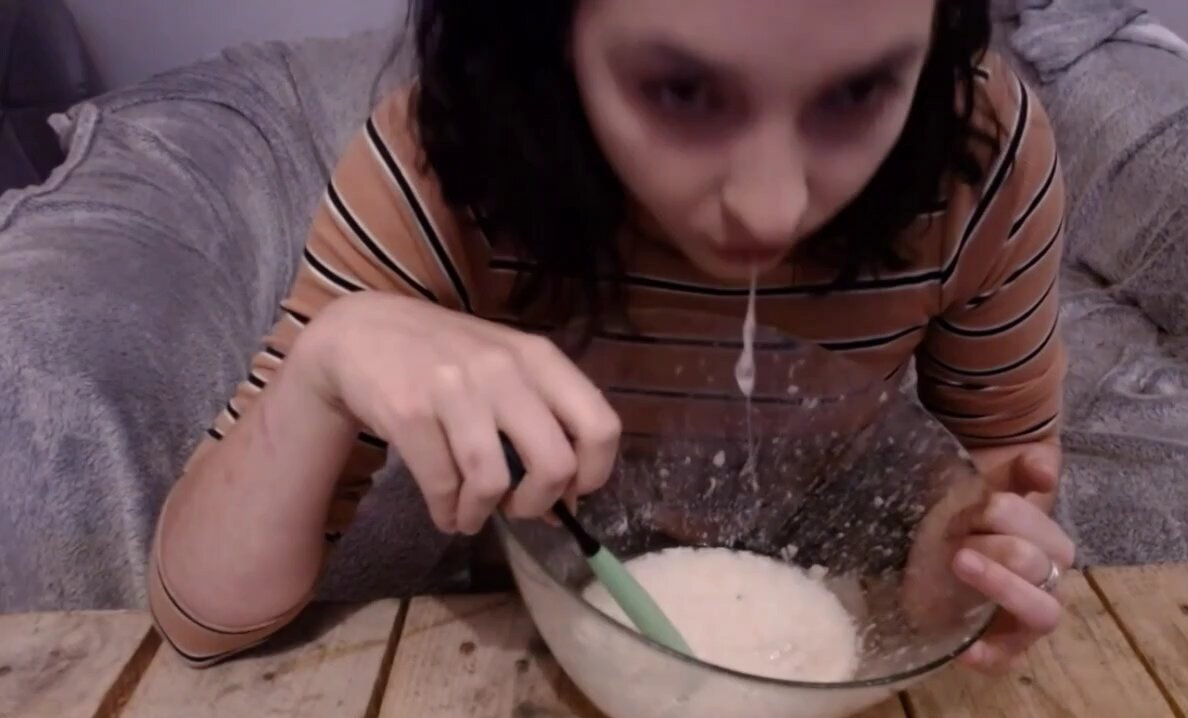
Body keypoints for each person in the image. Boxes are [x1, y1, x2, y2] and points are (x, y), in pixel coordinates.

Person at [148, 0, 1075, 675]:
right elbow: (199, 618)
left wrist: (962, 572)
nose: (771, 204)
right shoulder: (446, 166)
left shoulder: (975, 155)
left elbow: (998, 460)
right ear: (551, 39)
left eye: (861, 90)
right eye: (681, 89)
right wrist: (329, 360)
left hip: (828, 595)